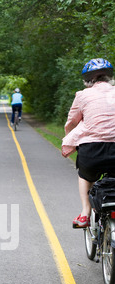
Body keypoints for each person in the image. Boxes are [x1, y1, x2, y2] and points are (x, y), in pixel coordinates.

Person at [62, 58, 115, 228]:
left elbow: (71, 123)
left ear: (87, 80)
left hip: (92, 151)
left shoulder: (83, 95)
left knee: (85, 176)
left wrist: (72, 139)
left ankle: (85, 213)